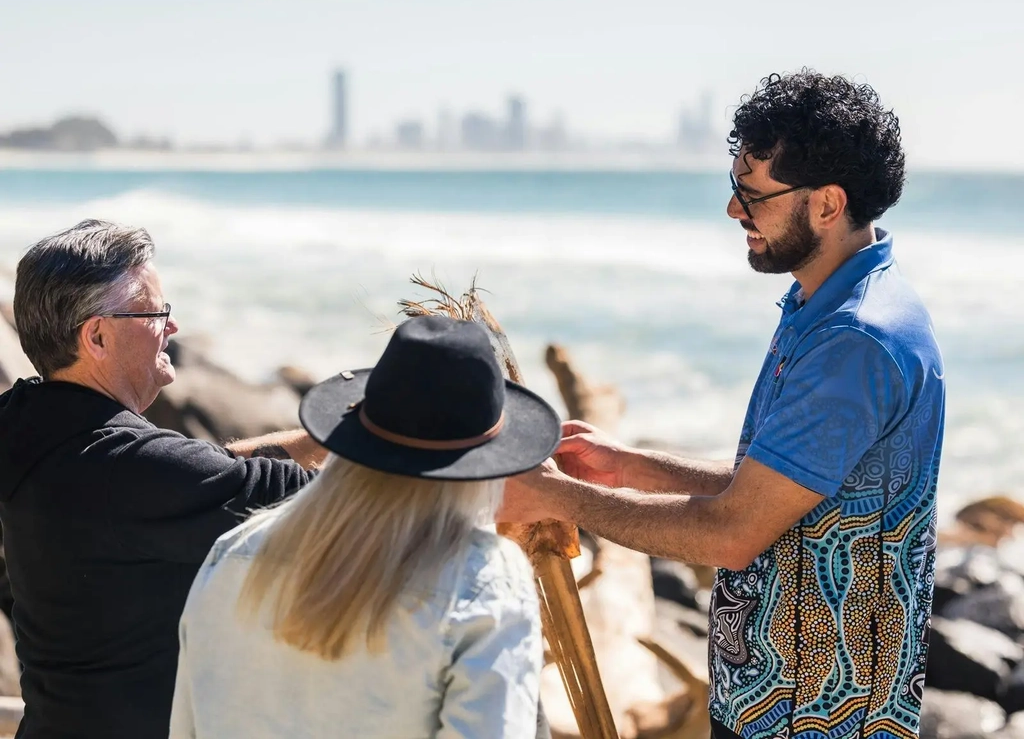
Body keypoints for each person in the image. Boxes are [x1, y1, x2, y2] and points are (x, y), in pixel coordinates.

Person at [500, 70, 945, 739]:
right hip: (782, 704)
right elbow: (784, 492)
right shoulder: (827, 305)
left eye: (752, 193)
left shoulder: (854, 340)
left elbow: (732, 533)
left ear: (826, 204)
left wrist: (555, 497)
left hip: (816, 719)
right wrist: (626, 466)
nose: (735, 211)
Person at [0, 220, 325, 739]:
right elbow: (321, 502)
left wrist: (323, 439)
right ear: (98, 336)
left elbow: (203, 474)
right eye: (156, 312)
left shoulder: (25, 422)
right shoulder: (127, 468)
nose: (172, 327)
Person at [168, 314, 559, 738]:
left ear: (353, 431)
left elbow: (186, 727)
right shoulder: (484, 578)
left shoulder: (235, 550)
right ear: (489, 463)